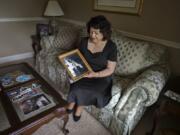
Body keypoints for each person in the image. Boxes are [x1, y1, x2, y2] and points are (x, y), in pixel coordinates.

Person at [66, 15, 117, 122]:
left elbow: (110, 69)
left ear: (104, 33)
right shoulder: (84, 41)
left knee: (91, 90)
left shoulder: (111, 47)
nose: (92, 35)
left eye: (96, 33)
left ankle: (79, 107)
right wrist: (71, 67)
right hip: (84, 71)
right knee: (76, 86)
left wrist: (95, 74)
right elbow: (77, 58)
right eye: (90, 32)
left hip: (101, 75)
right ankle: (72, 103)